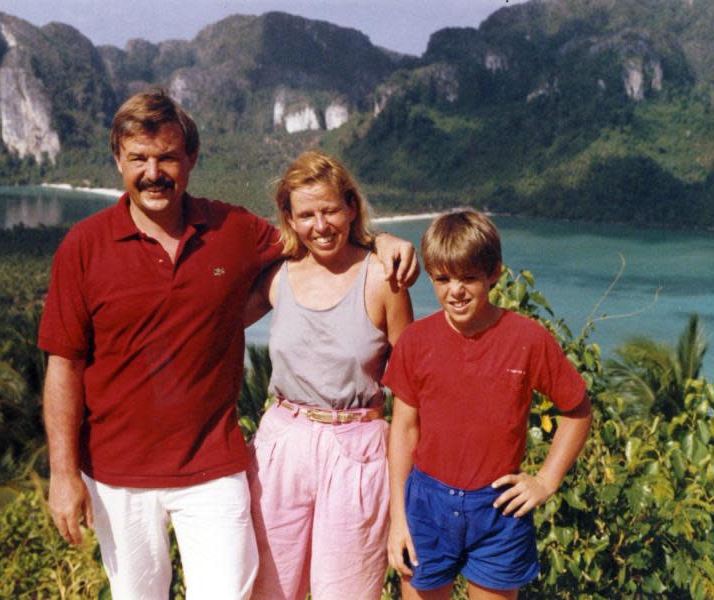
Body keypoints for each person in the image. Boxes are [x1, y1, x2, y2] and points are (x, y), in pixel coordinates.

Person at [38, 90, 418, 600]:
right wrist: (63, 474)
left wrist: (381, 243)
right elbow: (63, 365)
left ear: (190, 158)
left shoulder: (231, 230)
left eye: (168, 157)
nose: (154, 172)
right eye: (139, 159)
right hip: (116, 472)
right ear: (118, 161)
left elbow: (315, 235)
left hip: (214, 468)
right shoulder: (83, 247)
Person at [383, 209, 592, 600]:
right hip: (426, 504)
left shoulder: (528, 339)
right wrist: (398, 519)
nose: (455, 291)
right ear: (431, 276)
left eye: (468, 278)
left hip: (499, 507)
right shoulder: (415, 341)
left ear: (494, 272)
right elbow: (403, 428)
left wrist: (546, 480)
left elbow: (577, 410)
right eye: (442, 279)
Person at [244, 151, 414, 599]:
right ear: (289, 218)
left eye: (330, 210)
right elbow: (213, 320)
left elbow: (414, 385)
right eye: (306, 215)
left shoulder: (382, 278)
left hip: (356, 450)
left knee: (347, 592)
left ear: (351, 208)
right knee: (269, 589)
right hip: (281, 445)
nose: (320, 226)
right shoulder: (278, 276)